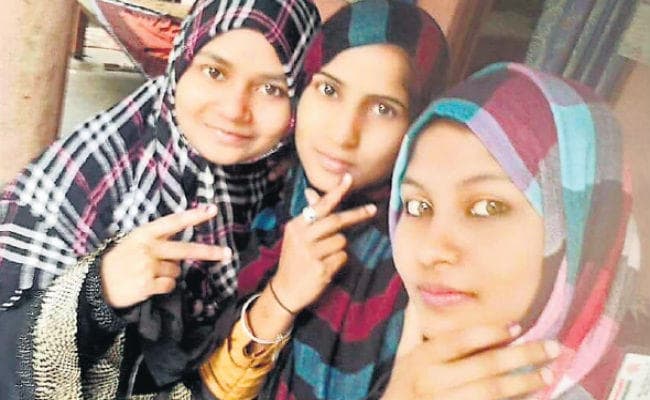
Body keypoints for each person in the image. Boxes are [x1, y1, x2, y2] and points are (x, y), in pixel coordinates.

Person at [0, 0, 320, 397]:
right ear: (181, 63)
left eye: (271, 88)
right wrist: (98, 292)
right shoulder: (81, 185)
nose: (234, 110)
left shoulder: (289, 177)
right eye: (215, 72)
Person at [198, 1, 453, 398]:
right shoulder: (264, 193)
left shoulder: (423, 262)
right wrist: (281, 297)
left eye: (383, 108)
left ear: (418, 123)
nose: (342, 134)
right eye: (329, 90)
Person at [384, 62, 640, 399]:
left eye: (488, 207)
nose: (431, 251)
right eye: (418, 206)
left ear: (584, 231)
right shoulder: (406, 364)